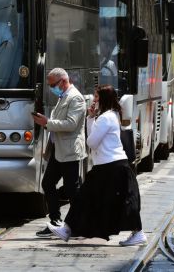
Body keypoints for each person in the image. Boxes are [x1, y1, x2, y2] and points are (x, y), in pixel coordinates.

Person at [47, 84, 146, 246]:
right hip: (108, 166)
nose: (94, 100)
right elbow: (93, 139)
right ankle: (67, 229)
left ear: (104, 99)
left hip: (112, 167)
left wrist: (92, 119)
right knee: (86, 199)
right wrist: (91, 118)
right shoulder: (110, 115)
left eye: (97, 97)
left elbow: (91, 142)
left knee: (121, 201)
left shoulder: (106, 117)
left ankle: (138, 232)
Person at [32, 68, 87, 237]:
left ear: (63, 81)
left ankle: (79, 223)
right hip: (58, 149)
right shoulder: (63, 95)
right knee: (48, 183)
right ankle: (55, 221)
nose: (52, 88)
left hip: (69, 150)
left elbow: (70, 124)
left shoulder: (75, 97)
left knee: (72, 189)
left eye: (53, 84)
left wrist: (47, 122)